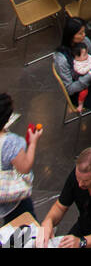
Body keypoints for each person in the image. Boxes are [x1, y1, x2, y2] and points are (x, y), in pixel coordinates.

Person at [52, 18, 91, 129]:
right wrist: (90, 75)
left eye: (84, 32)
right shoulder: (62, 59)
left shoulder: (84, 41)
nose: (84, 35)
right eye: (80, 33)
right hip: (80, 90)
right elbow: (70, 89)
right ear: (71, 35)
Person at [0, 95, 43, 223]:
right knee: (27, 227)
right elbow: (24, 167)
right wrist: (33, 142)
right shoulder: (10, 143)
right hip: (12, 200)